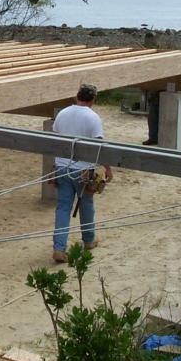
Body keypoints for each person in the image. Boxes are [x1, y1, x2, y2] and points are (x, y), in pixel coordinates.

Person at [51, 84, 113, 263]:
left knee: (63, 207)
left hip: (62, 167)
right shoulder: (92, 117)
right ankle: (88, 239)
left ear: (77, 96)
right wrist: (107, 168)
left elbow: (55, 138)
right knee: (86, 205)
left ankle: (59, 248)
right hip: (83, 170)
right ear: (93, 99)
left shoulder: (62, 113)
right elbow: (98, 147)